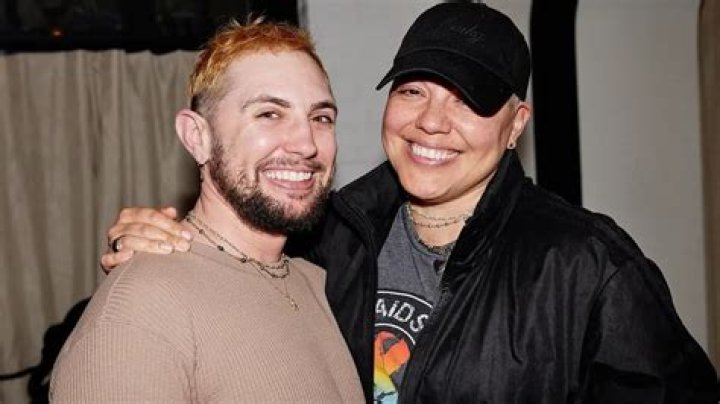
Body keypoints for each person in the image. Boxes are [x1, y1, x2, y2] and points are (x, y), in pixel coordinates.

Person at [100, 3, 719, 403]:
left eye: (468, 101)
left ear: (515, 125)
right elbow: (233, 248)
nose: (432, 122)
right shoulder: (330, 234)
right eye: (414, 90)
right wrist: (160, 239)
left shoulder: (587, 264)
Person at [50, 20, 364, 403]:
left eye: (321, 118)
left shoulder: (321, 282)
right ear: (197, 137)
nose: (306, 143)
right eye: (269, 114)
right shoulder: (140, 308)